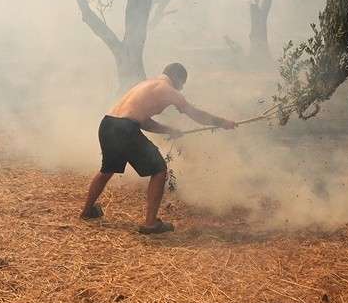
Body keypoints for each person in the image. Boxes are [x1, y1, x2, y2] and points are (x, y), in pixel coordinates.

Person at [80, 62, 236, 235]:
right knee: (159, 169)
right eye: (182, 83)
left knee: (107, 170)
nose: (181, 88)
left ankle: (87, 211)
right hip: (125, 128)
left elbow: (142, 120)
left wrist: (168, 130)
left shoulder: (146, 85)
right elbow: (195, 114)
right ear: (177, 77)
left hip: (108, 124)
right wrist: (222, 122)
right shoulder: (169, 91)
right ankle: (151, 223)